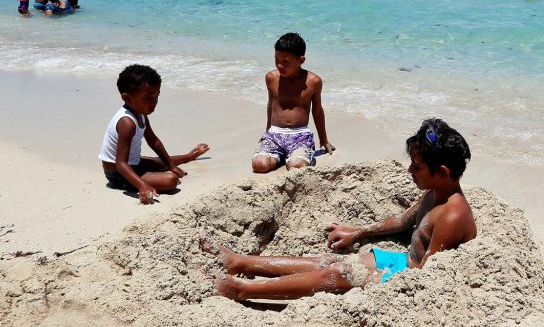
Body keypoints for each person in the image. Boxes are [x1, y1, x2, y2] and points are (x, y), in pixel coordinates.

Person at [201, 118, 478, 301]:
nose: (409, 171)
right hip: (403, 263)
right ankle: (243, 263)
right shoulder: (436, 191)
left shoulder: (452, 215)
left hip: (409, 280)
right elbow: (405, 220)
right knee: (327, 261)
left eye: (416, 167)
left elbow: (427, 278)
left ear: (442, 172)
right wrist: (357, 232)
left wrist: (370, 274)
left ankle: (243, 290)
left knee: (338, 273)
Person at [98, 65, 210, 204]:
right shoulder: (127, 123)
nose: (154, 103)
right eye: (147, 98)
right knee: (171, 180)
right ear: (127, 98)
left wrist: (171, 165)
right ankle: (145, 178)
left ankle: (189, 156)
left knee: (164, 162)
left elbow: (153, 141)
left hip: (133, 163)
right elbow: (121, 164)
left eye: (156, 97)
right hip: (117, 174)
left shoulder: (141, 115)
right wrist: (142, 185)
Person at [252, 33, 334, 173]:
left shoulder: (313, 81)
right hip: (275, 134)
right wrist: (267, 131)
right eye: (276, 60)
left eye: (285, 62)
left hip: (300, 135)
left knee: (296, 167)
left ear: (301, 60)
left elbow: (317, 111)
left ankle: (292, 156)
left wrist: (324, 140)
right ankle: (279, 155)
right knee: (259, 165)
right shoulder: (271, 78)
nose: (279, 65)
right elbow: (270, 105)